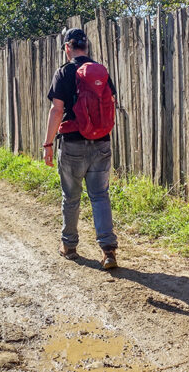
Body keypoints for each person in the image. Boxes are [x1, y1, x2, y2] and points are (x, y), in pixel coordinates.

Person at [43, 28, 119, 269]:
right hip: (102, 142)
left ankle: (69, 246)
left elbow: (57, 110)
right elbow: (112, 103)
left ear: (67, 47)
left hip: (73, 143)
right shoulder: (101, 72)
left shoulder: (64, 72)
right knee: (100, 196)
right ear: (86, 47)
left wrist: (47, 143)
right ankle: (108, 251)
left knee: (71, 196)